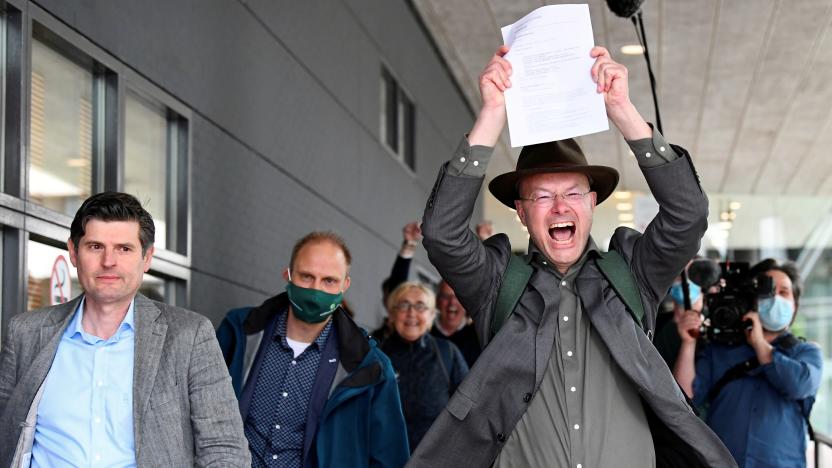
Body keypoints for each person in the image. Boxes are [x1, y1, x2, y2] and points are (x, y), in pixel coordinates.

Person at [409, 44, 734, 468]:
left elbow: (688, 215)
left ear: (593, 202)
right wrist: (491, 114)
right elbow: (441, 234)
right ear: (522, 212)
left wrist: (622, 110)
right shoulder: (497, 284)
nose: (560, 207)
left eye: (572, 193)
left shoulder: (632, 274)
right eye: (542, 196)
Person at [0, 192, 248, 467]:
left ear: (147, 257)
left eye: (124, 248)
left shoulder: (189, 336)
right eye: (95, 247)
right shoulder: (26, 333)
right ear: (73, 252)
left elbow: (224, 448)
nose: (109, 261)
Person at [216, 231, 409, 468]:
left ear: (345, 285)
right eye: (307, 277)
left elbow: (389, 457)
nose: (316, 291)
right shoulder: (239, 332)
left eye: (329, 281)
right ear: (288, 274)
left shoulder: (371, 367)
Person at [673, 260, 822, 468]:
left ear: (795, 305)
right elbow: (684, 399)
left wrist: (759, 344)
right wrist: (689, 343)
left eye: (784, 292)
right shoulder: (720, 349)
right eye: (768, 291)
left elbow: (800, 385)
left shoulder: (805, 353)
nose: (776, 298)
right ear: (753, 300)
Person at [381, 282, 468, 451]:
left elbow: (469, 410)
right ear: (391, 314)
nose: (411, 313)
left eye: (420, 306)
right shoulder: (377, 355)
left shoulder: (447, 353)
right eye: (404, 305)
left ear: (431, 316)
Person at [372, 221, 423, 345]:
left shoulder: (432, 347)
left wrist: (410, 245)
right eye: (389, 297)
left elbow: (398, 289)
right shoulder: (376, 340)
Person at [430, 280, 480, 367]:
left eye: (458, 296)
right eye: (446, 296)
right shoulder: (423, 334)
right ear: (437, 301)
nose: (452, 302)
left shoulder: (479, 336)